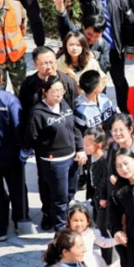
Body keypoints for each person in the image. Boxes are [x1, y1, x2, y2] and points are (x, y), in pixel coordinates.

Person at [67, 0, 134, 112]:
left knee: (120, 81)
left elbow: (129, 24)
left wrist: (131, 47)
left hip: (115, 49)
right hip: (95, 52)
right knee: (97, 82)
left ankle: (124, 111)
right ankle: (100, 111)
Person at [25, 75, 87, 232]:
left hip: (71, 157)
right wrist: (46, 152)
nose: (59, 94)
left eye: (61, 90)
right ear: (45, 92)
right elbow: (33, 138)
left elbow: (74, 129)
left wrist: (80, 148)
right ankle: (60, 230)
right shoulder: (38, 113)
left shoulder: (64, 104)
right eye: (55, 91)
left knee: (70, 192)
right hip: (54, 160)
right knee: (59, 196)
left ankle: (67, 218)